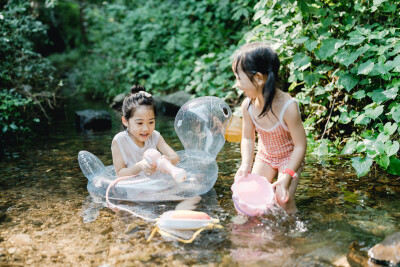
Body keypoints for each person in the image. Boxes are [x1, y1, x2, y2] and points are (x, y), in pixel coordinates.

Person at [232, 42, 307, 214]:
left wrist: (287, 176)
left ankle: (295, 234)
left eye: (238, 77)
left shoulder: (288, 107)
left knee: (282, 200)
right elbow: (248, 138)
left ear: (258, 78)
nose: (237, 84)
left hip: (289, 158)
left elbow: (300, 145)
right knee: (250, 196)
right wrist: (245, 165)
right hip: (265, 156)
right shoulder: (248, 106)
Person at [111, 85, 180, 177]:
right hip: (135, 188)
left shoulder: (155, 136)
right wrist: (140, 166)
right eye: (139, 123)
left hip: (156, 185)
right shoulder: (119, 141)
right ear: (125, 121)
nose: (146, 129)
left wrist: (165, 161)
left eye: (151, 122)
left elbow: (175, 157)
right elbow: (119, 173)